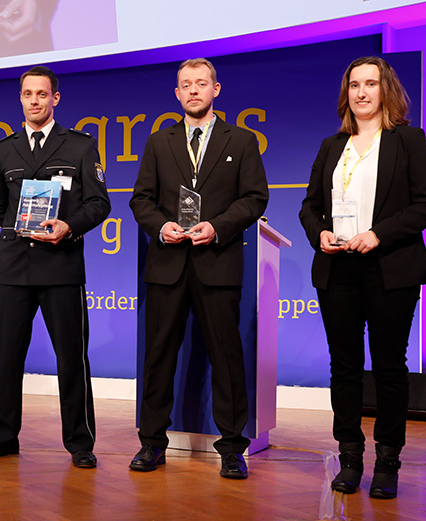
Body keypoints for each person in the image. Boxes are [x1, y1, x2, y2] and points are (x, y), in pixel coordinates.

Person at [299, 56, 426, 499]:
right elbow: (309, 204)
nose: (361, 92)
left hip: (389, 268)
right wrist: (318, 231)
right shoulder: (330, 145)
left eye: (371, 84)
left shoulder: (409, 141)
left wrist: (378, 234)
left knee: (390, 368)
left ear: (385, 90)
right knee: (343, 368)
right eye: (354, 84)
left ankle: (388, 461)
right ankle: (351, 456)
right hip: (338, 268)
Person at [129, 58, 268, 479]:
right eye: (186, 84)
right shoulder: (159, 141)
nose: (193, 90)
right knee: (158, 357)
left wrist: (218, 226)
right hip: (168, 263)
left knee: (227, 358)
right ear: (177, 93)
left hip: (217, 262)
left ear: (216, 90)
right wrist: (161, 225)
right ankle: (152, 444)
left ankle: (231, 448)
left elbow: (255, 198)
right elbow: (141, 200)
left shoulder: (241, 141)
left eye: (201, 83)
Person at [0, 65, 110, 468]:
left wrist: (69, 225)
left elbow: (99, 203)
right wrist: (16, 226)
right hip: (14, 266)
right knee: (7, 356)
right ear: (21, 99)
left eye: (42, 94)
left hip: (61, 265)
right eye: (28, 94)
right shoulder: (3, 148)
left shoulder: (80, 146)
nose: (35, 101)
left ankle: (80, 443)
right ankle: (2, 437)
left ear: (55, 99)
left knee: (71, 357)